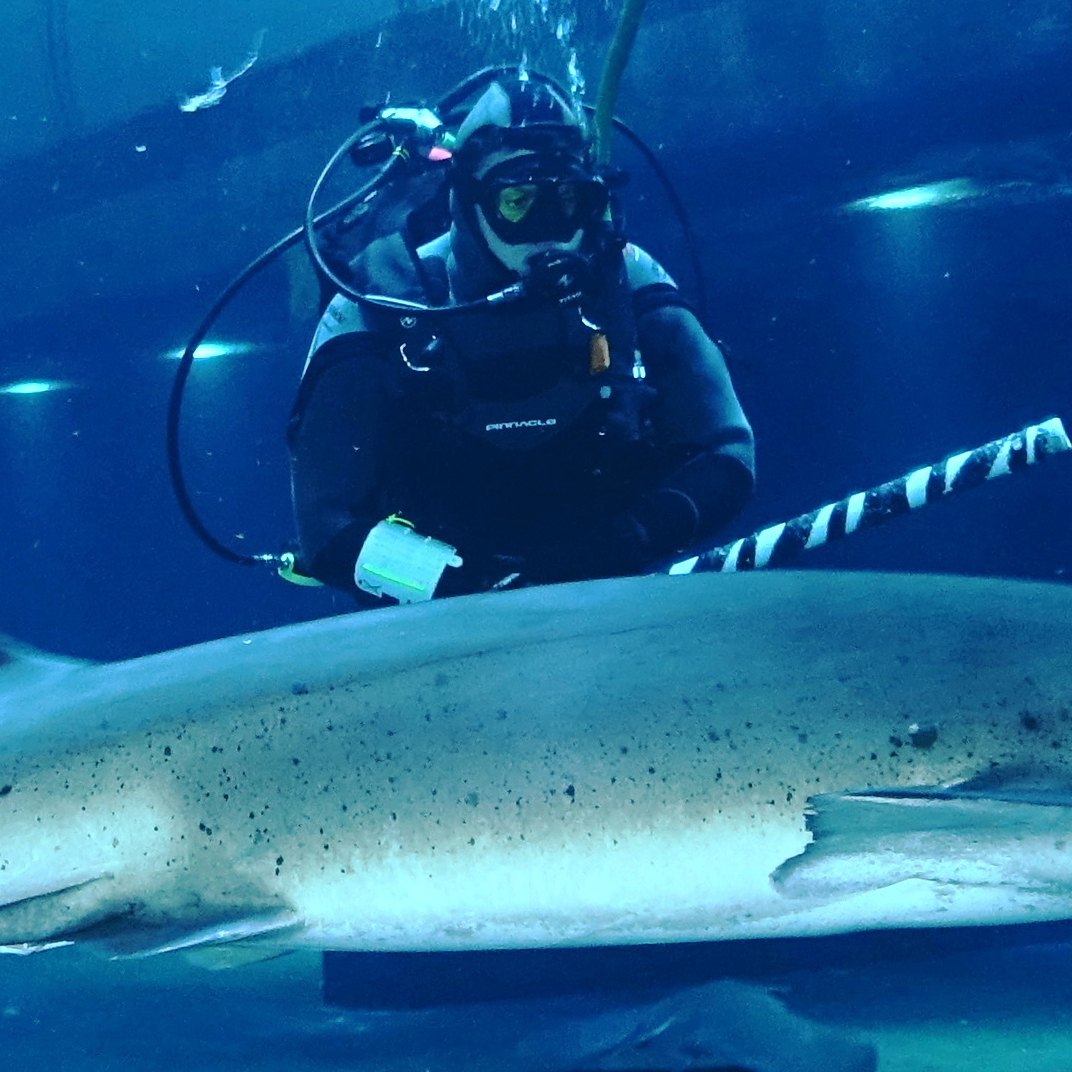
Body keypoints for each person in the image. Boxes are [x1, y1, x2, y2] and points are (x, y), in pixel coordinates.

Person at [287, 72, 754, 604]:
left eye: (570, 201)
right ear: (467, 198)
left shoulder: (625, 281)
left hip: (609, 595)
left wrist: (625, 542)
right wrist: (467, 586)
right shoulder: (381, 304)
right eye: (518, 202)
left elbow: (728, 452)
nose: (551, 229)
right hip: (435, 622)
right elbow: (325, 528)